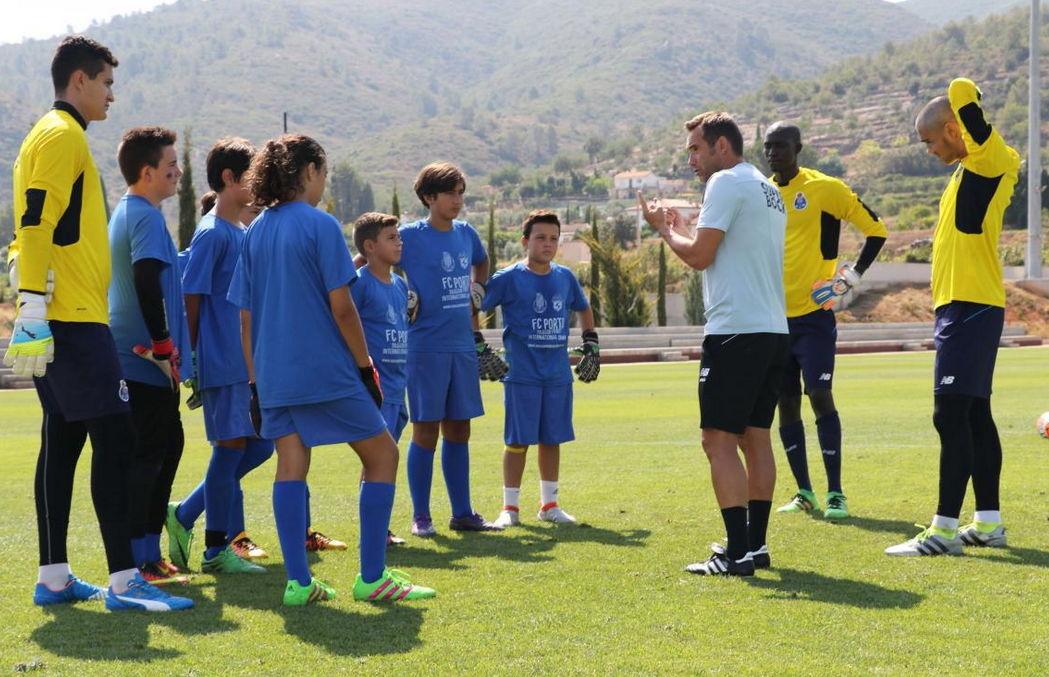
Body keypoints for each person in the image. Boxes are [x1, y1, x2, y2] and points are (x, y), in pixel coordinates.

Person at [4, 35, 190, 611]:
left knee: (61, 443)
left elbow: (28, 230)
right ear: (79, 81)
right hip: (73, 321)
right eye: (107, 82)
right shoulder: (60, 135)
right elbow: (35, 221)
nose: (112, 94)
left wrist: (21, 276)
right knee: (119, 437)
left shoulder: (49, 136)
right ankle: (124, 580)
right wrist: (32, 302)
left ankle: (54, 577)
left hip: (61, 316)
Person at [228, 134, 435, 605]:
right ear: (308, 171)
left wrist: (256, 385)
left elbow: (245, 318)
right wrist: (365, 369)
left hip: (275, 375)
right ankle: (372, 577)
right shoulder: (319, 225)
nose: (323, 182)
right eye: (322, 173)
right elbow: (343, 307)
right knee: (383, 456)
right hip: (325, 370)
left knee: (291, 463)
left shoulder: (255, 229)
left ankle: (299, 584)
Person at [639, 111, 788, 576]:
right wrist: (683, 226)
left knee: (716, 440)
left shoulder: (723, 184)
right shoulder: (766, 187)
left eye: (696, 150)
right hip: (772, 330)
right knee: (755, 438)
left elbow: (700, 257)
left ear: (722, 146)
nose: (691, 161)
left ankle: (738, 553)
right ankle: (755, 547)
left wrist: (664, 229)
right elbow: (718, 247)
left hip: (735, 331)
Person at [886, 78, 1019, 557]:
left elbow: (962, 90)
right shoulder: (964, 172)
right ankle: (987, 524)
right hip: (961, 306)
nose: (927, 151)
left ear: (952, 128)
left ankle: (942, 531)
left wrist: (964, 107)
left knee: (949, 415)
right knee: (975, 415)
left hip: (972, 305)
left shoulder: (991, 157)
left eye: (929, 141)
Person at [763, 121, 887, 520]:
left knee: (819, 395)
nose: (773, 153)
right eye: (767, 147)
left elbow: (876, 230)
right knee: (785, 404)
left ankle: (836, 493)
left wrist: (849, 277)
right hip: (774, 321)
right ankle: (804, 492)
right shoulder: (763, 193)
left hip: (815, 318)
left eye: (780, 146)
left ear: (799, 147)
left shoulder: (825, 189)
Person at [165, 138, 272, 574]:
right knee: (230, 449)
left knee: (261, 446)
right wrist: (188, 359)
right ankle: (215, 551)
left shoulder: (241, 232)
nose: (259, 184)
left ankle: (184, 514)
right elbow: (192, 296)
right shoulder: (211, 233)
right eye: (252, 176)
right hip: (222, 362)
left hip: (247, 362)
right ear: (229, 179)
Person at [398, 162, 507, 537]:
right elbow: (367, 260)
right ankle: (421, 516)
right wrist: (399, 295)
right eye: (450, 193)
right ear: (429, 197)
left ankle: (463, 513)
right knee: (425, 431)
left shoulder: (466, 233)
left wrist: (479, 290)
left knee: (459, 430)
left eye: (461, 192)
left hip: (462, 347)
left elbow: (482, 261)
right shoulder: (409, 236)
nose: (458, 200)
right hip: (425, 348)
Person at [108, 126, 196, 588]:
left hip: (143, 359)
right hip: (141, 360)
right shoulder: (143, 216)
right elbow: (144, 281)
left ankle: (147, 553)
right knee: (150, 455)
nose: (178, 172)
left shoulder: (132, 211)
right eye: (171, 166)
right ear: (147, 173)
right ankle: (142, 559)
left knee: (166, 447)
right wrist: (162, 346)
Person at [482, 210, 599, 528]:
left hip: (558, 375)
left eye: (553, 238)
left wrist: (591, 341)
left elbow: (583, 307)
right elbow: (474, 303)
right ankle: (510, 508)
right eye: (540, 238)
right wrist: (478, 342)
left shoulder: (565, 277)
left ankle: (549, 504)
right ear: (525, 241)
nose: (547, 244)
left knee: (552, 439)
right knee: (517, 441)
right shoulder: (508, 278)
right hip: (522, 374)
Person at [351, 212, 410, 546]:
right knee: (378, 459)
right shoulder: (359, 284)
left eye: (399, 237)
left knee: (385, 458)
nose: (399, 242)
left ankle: (378, 528)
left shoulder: (400, 284)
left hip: (398, 387)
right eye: (391, 238)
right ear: (370, 246)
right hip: (376, 388)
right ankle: (375, 532)